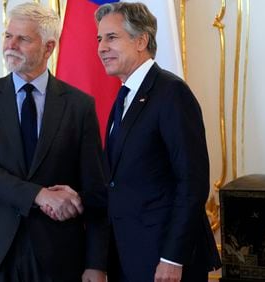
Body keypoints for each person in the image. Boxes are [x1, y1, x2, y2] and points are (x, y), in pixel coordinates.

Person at [0, 3, 108, 282]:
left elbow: (95, 189)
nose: (11, 45)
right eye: (8, 35)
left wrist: (96, 263)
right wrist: (40, 195)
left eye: (23, 38)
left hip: (59, 250)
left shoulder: (79, 105)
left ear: (49, 48)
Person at [95, 2, 222, 282]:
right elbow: (117, 180)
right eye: (99, 38)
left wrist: (172, 257)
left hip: (164, 261)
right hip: (127, 256)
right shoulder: (124, 96)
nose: (101, 47)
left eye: (111, 37)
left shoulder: (171, 92)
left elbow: (192, 183)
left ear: (141, 40)